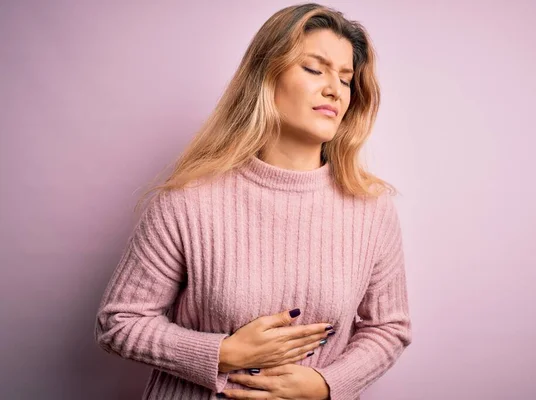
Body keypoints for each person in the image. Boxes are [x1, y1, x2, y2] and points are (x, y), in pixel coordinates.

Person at [94, 3, 412, 399]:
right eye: (314, 69)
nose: (334, 88)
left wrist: (327, 384)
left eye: (346, 79)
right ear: (266, 76)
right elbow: (120, 321)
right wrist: (222, 353)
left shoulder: (371, 209)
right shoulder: (187, 201)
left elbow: (389, 328)